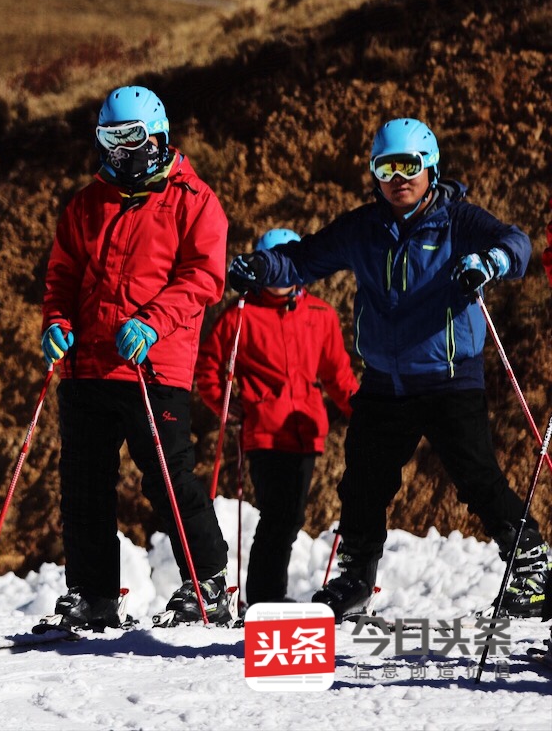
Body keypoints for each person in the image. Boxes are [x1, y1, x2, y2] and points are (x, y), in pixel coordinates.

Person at [228, 117, 548, 621]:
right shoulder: (364, 229)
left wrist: (489, 262)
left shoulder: (457, 220)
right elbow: (304, 259)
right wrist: (261, 267)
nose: (398, 178)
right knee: (362, 482)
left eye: (409, 166)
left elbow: (518, 243)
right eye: (385, 167)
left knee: (476, 476)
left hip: (448, 376)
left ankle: (532, 565)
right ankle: (356, 577)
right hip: (385, 383)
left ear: (430, 167)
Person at [37, 85, 233, 631]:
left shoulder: (193, 200)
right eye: (109, 140)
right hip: (87, 364)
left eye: (131, 139)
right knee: (83, 481)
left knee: (167, 477)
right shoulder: (86, 203)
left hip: (154, 363)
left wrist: (151, 321)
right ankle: (94, 593)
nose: (120, 152)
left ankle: (207, 583)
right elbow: (62, 277)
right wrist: (56, 322)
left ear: (157, 136)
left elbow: (203, 277)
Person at [195, 228, 359, 611]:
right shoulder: (241, 315)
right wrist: (226, 406)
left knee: (291, 515)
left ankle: (268, 596)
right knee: (278, 515)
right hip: (265, 431)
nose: (283, 278)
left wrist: (362, 414)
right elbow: (209, 369)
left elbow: (338, 376)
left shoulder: (320, 314)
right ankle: (266, 597)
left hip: (306, 429)